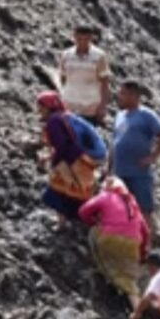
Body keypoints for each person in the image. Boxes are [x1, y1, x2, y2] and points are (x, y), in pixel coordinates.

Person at [79, 177, 151, 312]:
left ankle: (104, 273)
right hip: (133, 242)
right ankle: (136, 305)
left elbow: (83, 211)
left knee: (94, 234)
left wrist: (95, 221)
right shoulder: (132, 203)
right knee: (128, 277)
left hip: (110, 238)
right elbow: (145, 231)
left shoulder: (106, 196)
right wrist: (141, 253)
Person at [37, 91, 107, 227]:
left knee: (57, 189)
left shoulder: (53, 122)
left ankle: (62, 222)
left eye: (41, 107)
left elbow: (62, 146)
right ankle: (85, 219)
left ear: (47, 107)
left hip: (71, 160)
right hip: (83, 158)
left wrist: (54, 162)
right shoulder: (65, 115)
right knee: (81, 190)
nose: (39, 110)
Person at [109, 80, 160, 232]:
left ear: (133, 95)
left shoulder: (146, 115)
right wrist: (109, 167)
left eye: (123, 93)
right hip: (119, 171)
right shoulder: (120, 116)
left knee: (144, 208)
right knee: (121, 207)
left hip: (138, 171)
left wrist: (153, 156)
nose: (119, 96)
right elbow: (115, 141)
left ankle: (148, 242)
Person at [58, 24, 111, 126]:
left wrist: (102, 106)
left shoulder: (99, 56)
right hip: (69, 105)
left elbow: (105, 82)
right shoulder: (66, 55)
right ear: (74, 37)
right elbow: (63, 78)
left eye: (85, 39)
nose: (82, 42)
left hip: (90, 108)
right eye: (79, 39)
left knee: (86, 138)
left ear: (91, 38)